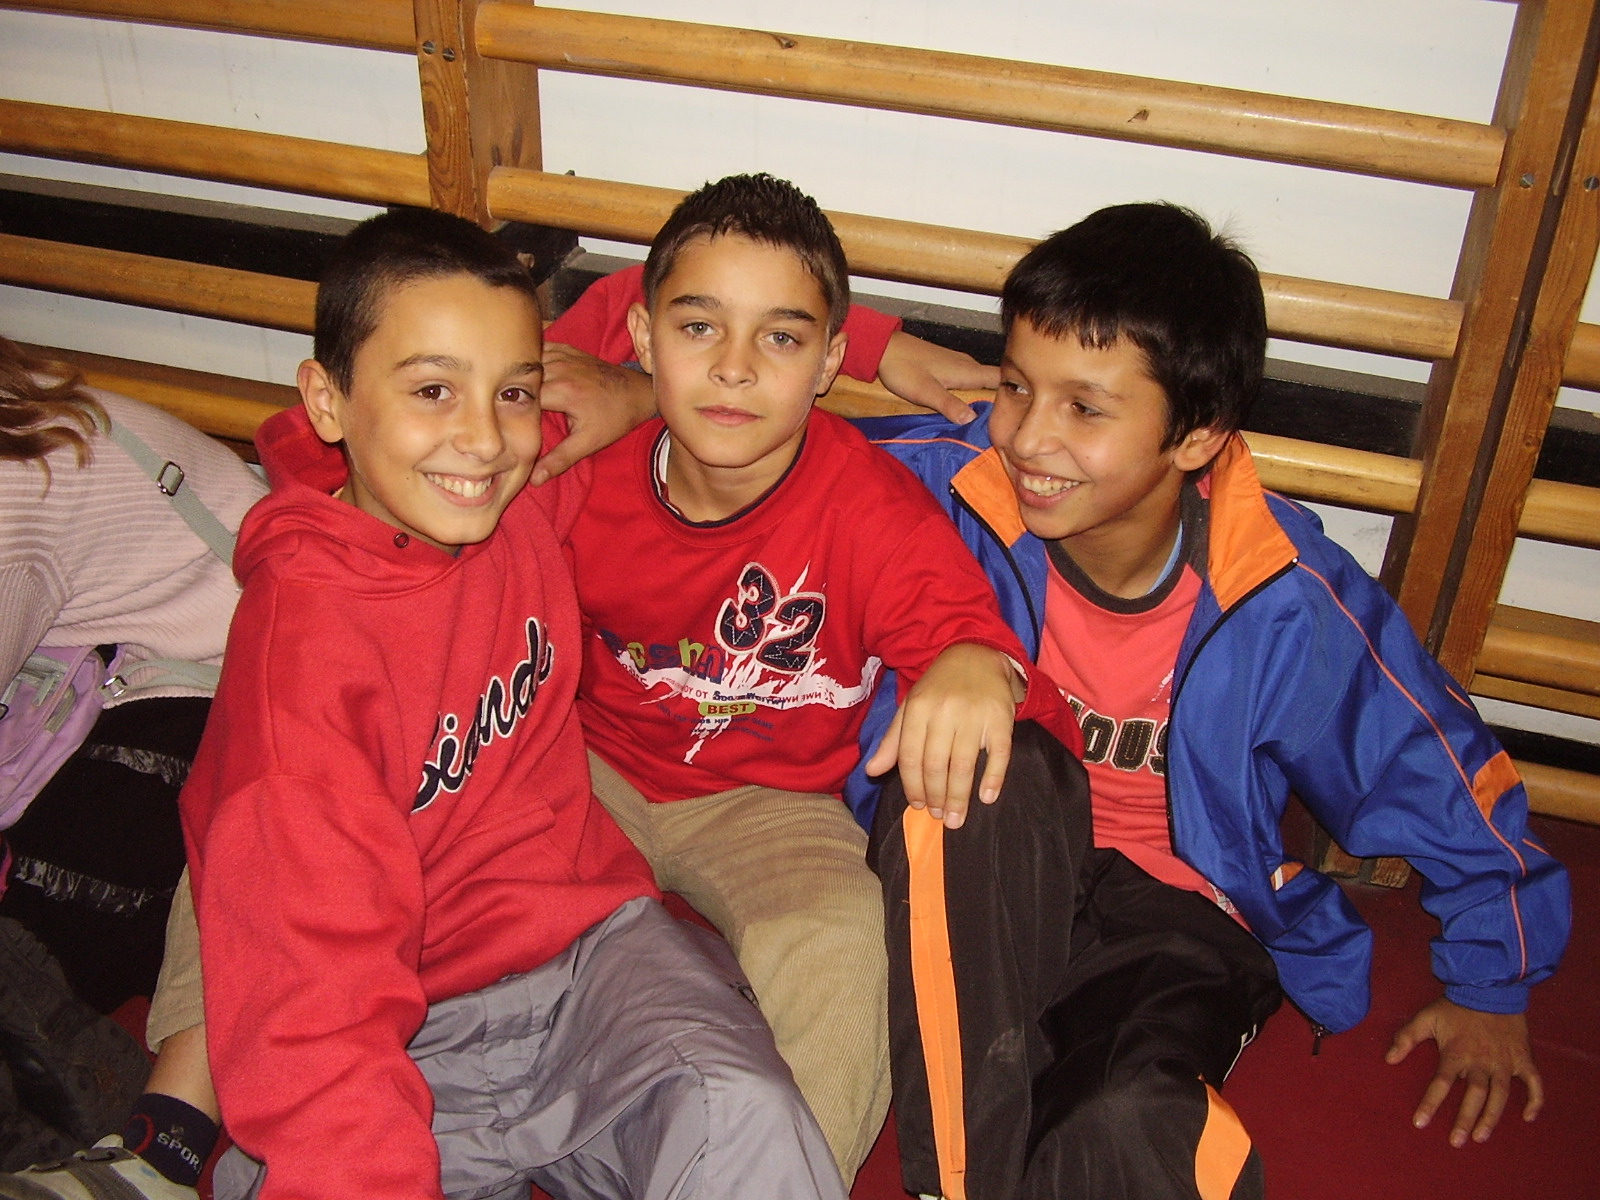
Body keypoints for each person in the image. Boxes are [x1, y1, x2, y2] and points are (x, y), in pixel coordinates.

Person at [844, 203, 1572, 1199]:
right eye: (1016, 386)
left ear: (1195, 436)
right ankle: (959, 1183)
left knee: (1125, 1120)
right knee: (983, 758)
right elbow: (739, 426)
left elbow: (1428, 758)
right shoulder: (942, 485)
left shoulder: (1281, 596)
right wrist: (848, 348)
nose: (1028, 437)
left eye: (1085, 409)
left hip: (1179, 917)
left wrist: (1494, 980)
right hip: (988, 881)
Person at [159, 208, 846, 1200]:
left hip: (590, 960)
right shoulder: (299, 674)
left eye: (512, 392)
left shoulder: (517, 490)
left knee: (749, 1114)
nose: (483, 439)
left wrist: (642, 388)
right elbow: (313, 1006)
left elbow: (689, 314)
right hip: (403, 1027)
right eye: (432, 390)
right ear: (327, 400)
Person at [557, 173, 1079, 1185]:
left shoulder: (868, 508)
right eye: (699, 328)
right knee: (474, 901)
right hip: (587, 769)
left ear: (831, 362)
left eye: (782, 339)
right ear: (642, 338)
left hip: (771, 803)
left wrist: (976, 665)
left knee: (847, 947)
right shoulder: (582, 469)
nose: (735, 368)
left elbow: (986, 656)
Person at [0, 335, 267, 1182]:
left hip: (223, 668)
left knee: (56, 912)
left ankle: (88, 1106)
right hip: (113, 665)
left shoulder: (11, 501)